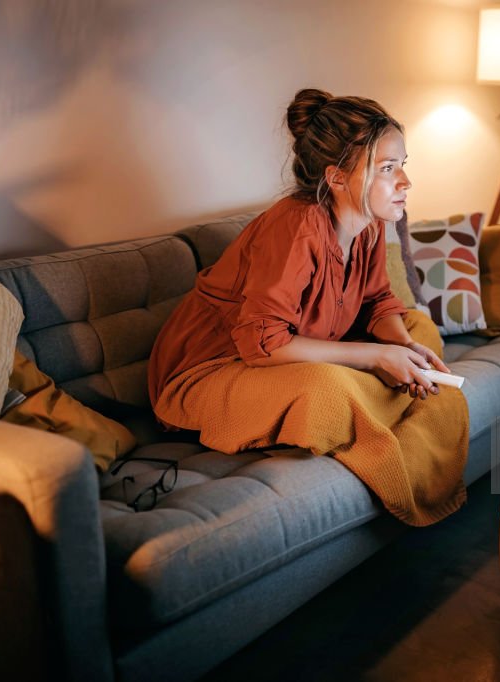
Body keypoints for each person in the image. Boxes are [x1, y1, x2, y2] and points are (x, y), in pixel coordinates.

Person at [147, 89, 469, 526]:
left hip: (296, 353)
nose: (405, 182)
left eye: (403, 166)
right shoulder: (296, 226)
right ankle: (380, 398)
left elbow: (377, 302)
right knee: (327, 391)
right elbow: (262, 344)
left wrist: (404, 344)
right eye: (388, 169)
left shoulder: (370, 225)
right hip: (210, 372)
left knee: (420, 330)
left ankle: (381, 392)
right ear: (337, 178)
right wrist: (376, 355)